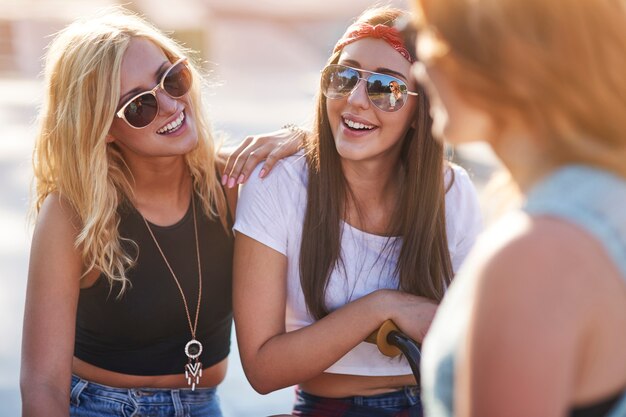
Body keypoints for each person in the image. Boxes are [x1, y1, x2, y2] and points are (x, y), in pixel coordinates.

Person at [20, 8, 301, 417]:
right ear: (102, 129)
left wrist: (303, 137)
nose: (170, 104)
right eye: (138, 106)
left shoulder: (235, 186)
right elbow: (42, 385)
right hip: (100, 408)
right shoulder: (72, 213)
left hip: (204, 406)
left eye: (172, 78)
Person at [232, 6, 482, 416]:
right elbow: (262, 368)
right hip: (329, 406)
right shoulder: (277, 182)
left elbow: (476, 341)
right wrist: (384, 306)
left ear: (422, 111)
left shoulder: (452, 193)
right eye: (343, 78)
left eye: (386, 88)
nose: (355, 100)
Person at [410, 1, 626, 416]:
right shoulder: (603, 199)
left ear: (498, 56)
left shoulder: (534, 256)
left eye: (430, 35)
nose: (420, 64)